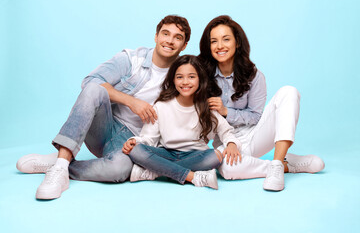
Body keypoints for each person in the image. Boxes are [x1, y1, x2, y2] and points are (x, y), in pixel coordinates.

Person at [16, 15, 191, 199]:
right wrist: (131, 101)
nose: (170, 41)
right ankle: (61, 166)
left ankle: (62, 163)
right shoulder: (132, 59)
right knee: (94, 89)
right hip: (104, 126)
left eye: (177, 37)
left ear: (184, 45)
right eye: (165, 34)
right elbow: (91, 81)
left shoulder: (183, 74)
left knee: (119, 171)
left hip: (131, 141)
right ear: (156, 36)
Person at [198, 15, 325, 191]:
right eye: (214, 41)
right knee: (226, 169)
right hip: (226, 140)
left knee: (289, 91)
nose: (220, 46)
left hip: (255, 134)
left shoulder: (254, 75)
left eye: (226, 39)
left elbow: (256, 117)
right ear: (208, 46)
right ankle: (284, 166)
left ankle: (278, 163)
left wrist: (226, 111)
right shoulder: (200, 74)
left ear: (237, 42)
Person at [122, 55, 242, 189]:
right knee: (136, 150)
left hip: (196, 155)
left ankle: (155, 171)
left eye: (191, 77)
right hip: (166, 153)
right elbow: (148, 138)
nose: (185, 82)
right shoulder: (161, 106)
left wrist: (231, 144)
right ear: (173, 79)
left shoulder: (207, 107)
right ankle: (192, 177)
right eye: (180, 77)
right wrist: (135, 141)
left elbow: (226, 131)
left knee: (216, 156)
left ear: (200, 79)